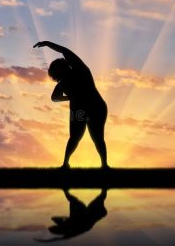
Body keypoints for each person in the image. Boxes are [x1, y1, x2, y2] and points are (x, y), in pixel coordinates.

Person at [33, 41, 109, 169]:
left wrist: (47, 43)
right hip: (79, 110)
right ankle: (66, 164)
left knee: (96, 137)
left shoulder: (80, 69)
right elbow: (54, 98)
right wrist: (71, 97)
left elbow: (64, 50)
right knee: (75, 137)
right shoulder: (63, 83)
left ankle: (104, 165)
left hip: (96, 107)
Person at [36, 188, 108, 242]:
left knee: (74, 201)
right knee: (99, 199)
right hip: (93, 214)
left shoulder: (65, 225)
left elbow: (57, 220)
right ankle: (65, 190)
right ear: (59, 228)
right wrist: (46, 241)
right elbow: (58, 239)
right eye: (55, 226)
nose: (56, 225)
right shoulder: (71, 231)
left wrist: (55, 219)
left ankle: (65, 190)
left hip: (85, 214)